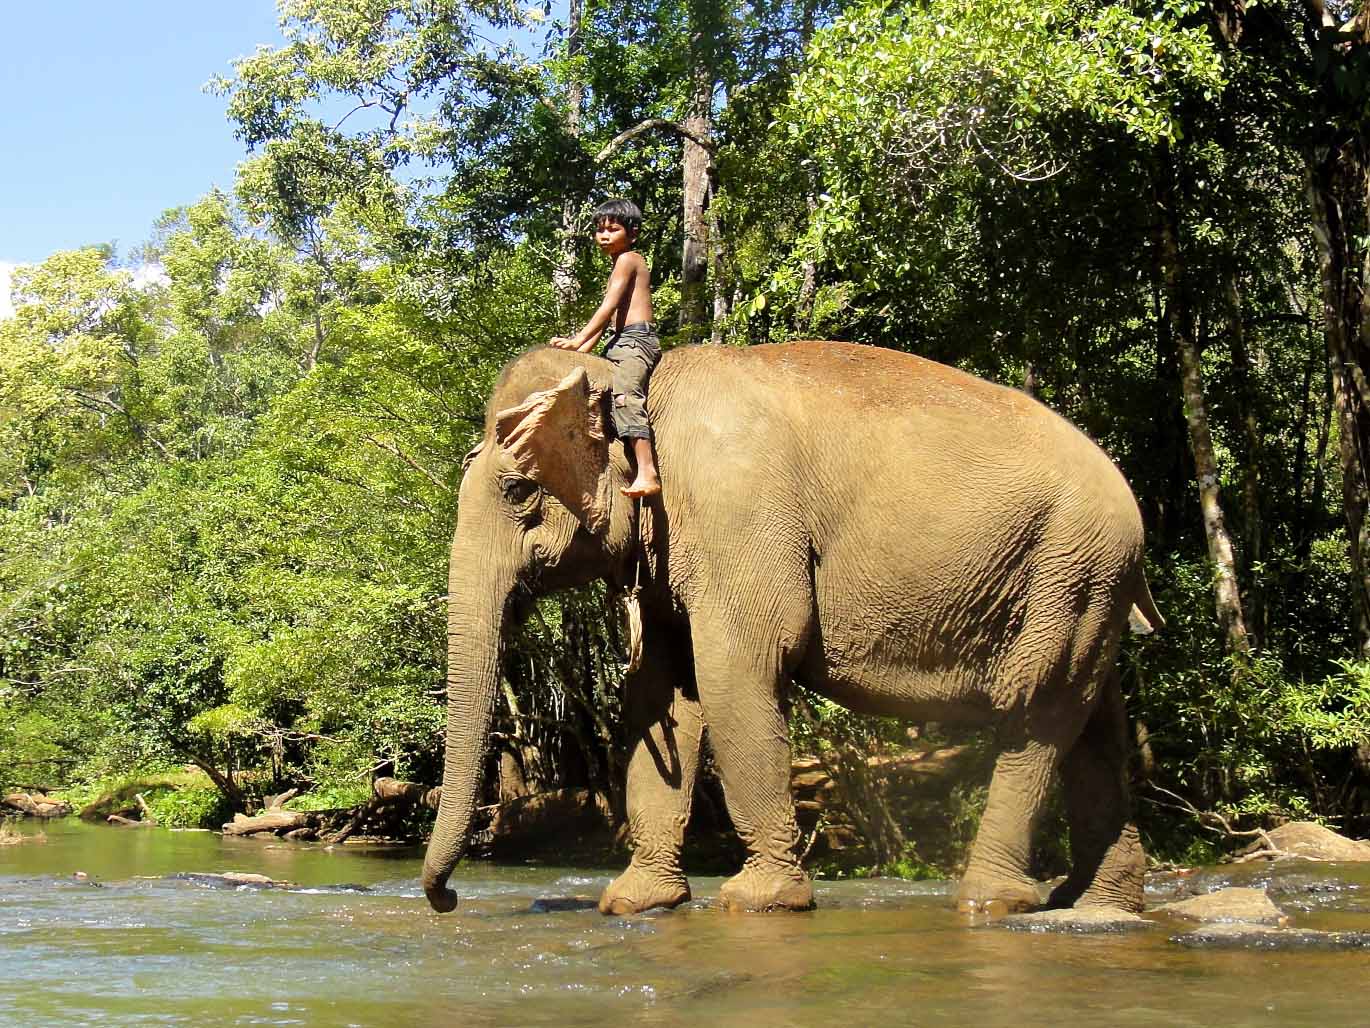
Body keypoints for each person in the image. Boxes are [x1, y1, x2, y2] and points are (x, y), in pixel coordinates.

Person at [550, 198, 662, 498]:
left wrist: (576, 339)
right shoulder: (618, 264)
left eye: (612, 229)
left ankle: (647, 471)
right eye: (600, 230)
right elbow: (606, 325)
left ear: (633, 233)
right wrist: (580, 350)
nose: (604, 235)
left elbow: (607, 306)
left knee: (626, 396)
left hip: (637, 341)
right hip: (619, 342)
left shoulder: (630, 259)